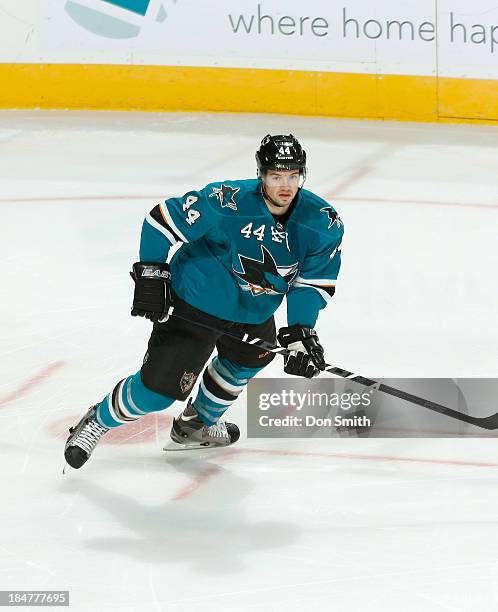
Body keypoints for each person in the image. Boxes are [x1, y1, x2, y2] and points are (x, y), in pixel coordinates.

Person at [64, 134, 344, 469]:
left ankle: (194, 426)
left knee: (248, 360)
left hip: (254, 310)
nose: (284, 185)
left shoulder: (323, 223)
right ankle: (97, 421)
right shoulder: (225, 201)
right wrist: (152, 274)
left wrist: (300, 331)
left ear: (302, 174)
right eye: (275, 176)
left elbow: (310, 283)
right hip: (194, 304)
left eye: (292, 175)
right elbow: (161, 221)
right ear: (261, 174)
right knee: (156, 393)